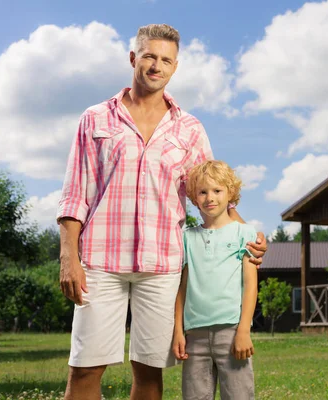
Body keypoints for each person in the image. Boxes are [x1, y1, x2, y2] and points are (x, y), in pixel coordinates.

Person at [56, 24, 267, 400]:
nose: (157, 66)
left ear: (175, 67)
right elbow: (75, 195)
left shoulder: (189, 129)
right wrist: (68, 256)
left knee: (150, 373)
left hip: (163, 264)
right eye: (150, 56)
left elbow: (211, 194)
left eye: (166, 60)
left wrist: (247, 237)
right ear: (133, 58)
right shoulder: (95, 119)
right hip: (101, 262)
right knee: (85, 369)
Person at [173, 160, 257, 400]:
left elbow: (250, 286)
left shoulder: (244, 233)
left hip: (231, 333)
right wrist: (178, 331)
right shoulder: (186, 237)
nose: (210, 197)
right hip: (194, 337)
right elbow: (182, 288)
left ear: (230, 193)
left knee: (239, 396)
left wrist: (243, 331)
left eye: (217, 190)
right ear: (193, 197)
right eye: (202, 192)